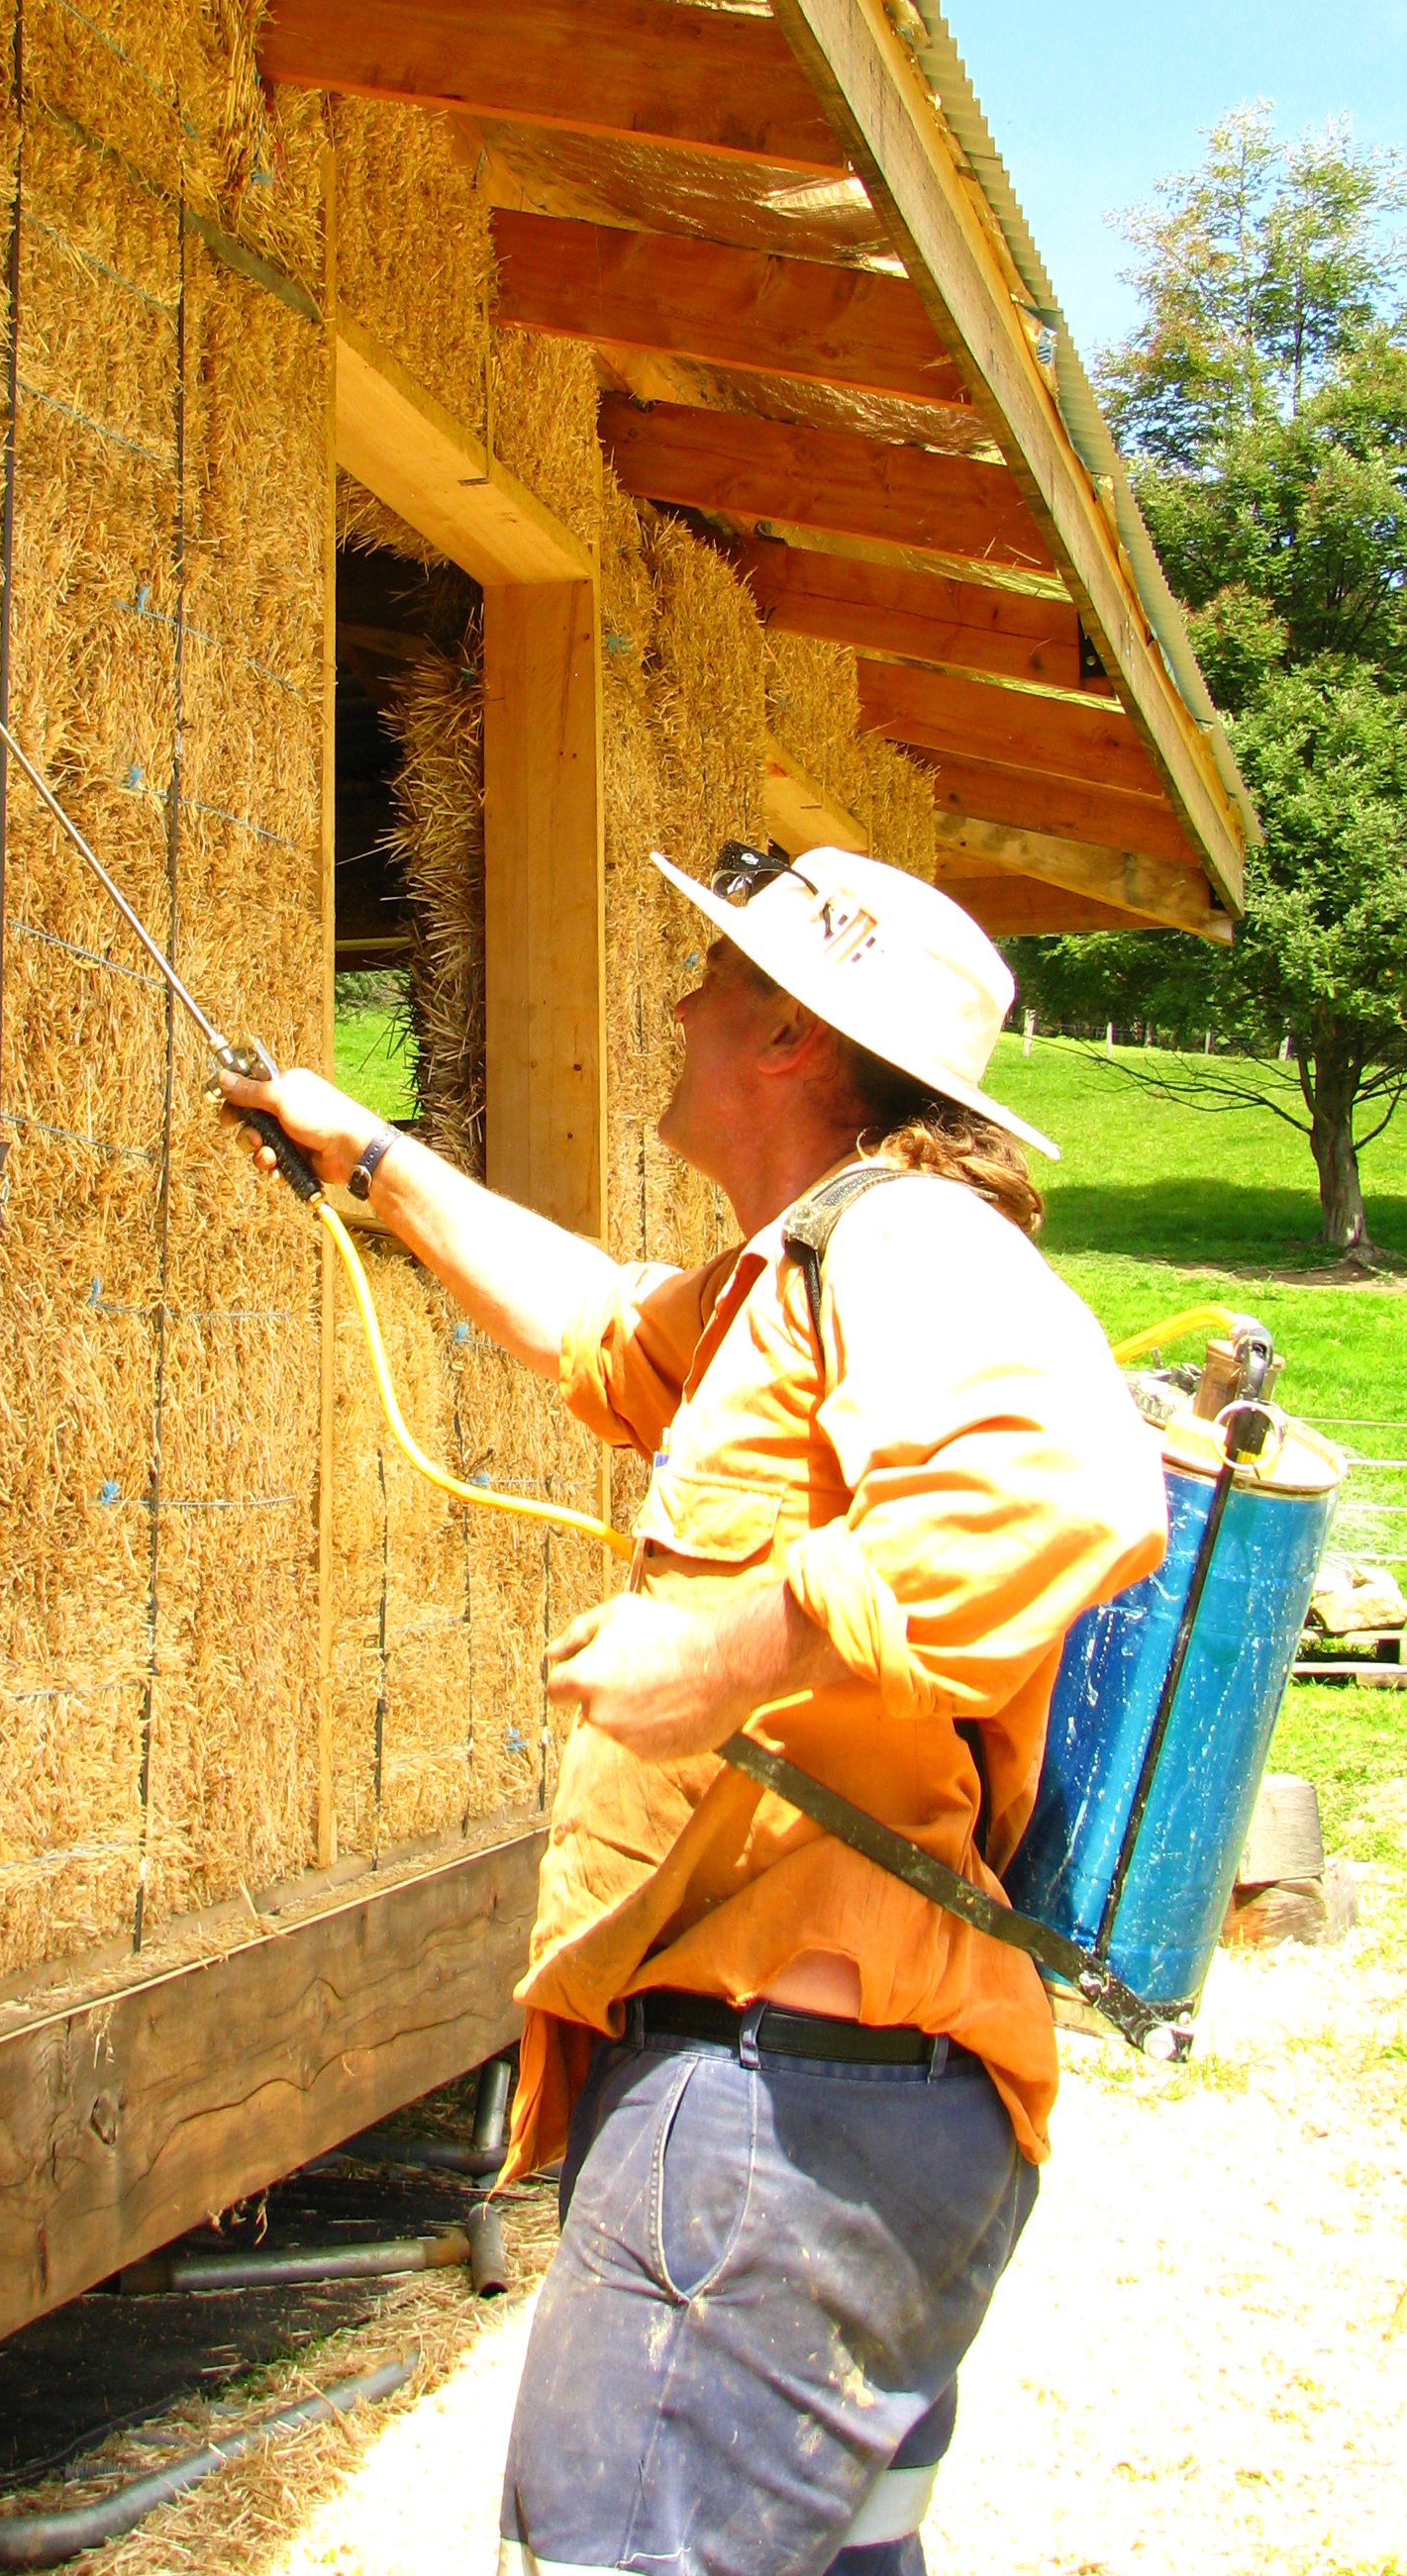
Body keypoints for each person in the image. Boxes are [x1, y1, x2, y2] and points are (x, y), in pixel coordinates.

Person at [225, 842, 1167, 2576]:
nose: (674, 1002)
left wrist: (725, 1650)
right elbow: (602, 1331)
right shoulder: (787, 1276)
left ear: (793, 1039)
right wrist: (371, 1160)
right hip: (862, 2124)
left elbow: (1071, 1487)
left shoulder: (908, 1238)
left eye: (711, 979)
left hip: (778, 2120)